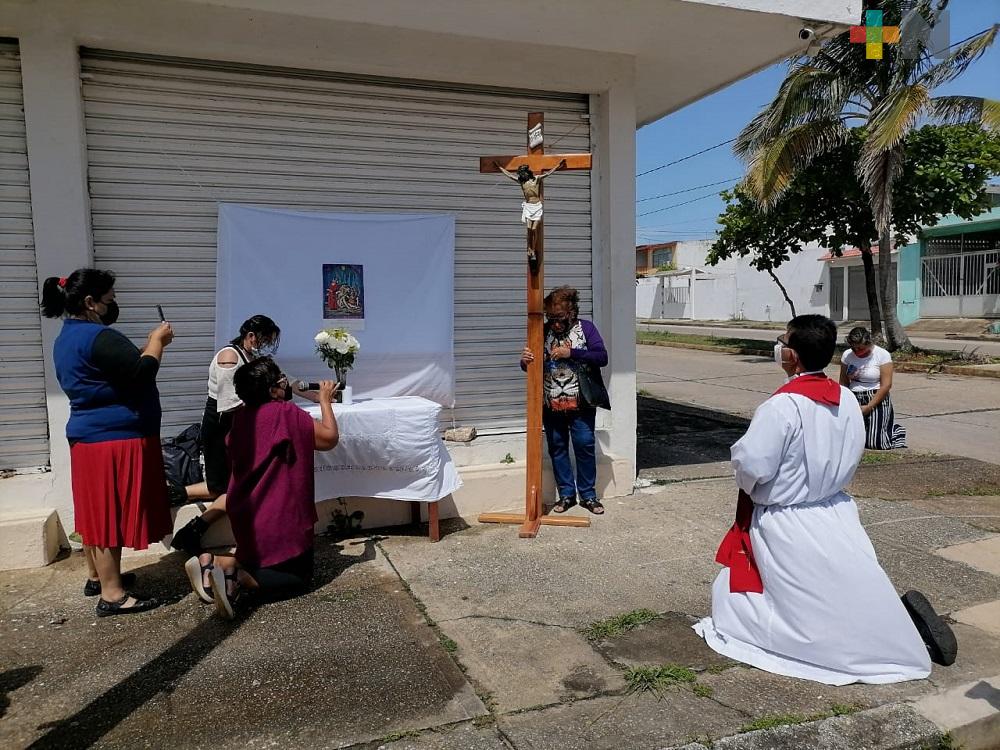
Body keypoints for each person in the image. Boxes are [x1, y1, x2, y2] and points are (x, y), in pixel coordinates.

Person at [694, 315, 954, 684]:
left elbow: (752, 466)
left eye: (783, 340)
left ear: (792, 356)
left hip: (787, 520)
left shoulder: (780, 408)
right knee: (850, 584)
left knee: (773, 603)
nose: (779, 346)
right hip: (835, 510)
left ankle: (869, 647)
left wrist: (756, 487)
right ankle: (900, 632)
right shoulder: (846, 398)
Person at [41, 269, 174, 616]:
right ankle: (113, 595)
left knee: (97, 509)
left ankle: (98, 577)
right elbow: (141, 372)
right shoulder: (99, 337)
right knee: (108, 514)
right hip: (113, 437)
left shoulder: (66, 337)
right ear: (90, 303)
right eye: (110, 299)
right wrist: (157, 341)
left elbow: (115, 373)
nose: (114, 305)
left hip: (90, 437)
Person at [183, 358, 339, 619]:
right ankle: (232, 574)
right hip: (278, 514)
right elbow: (328, 438)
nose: (284, 383)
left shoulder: (241, 417)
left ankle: (216, 564)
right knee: (297, 578)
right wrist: (324, 400)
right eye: (280, 380)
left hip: (246, 514)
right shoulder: (283, 413)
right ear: (271, 390)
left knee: (261, 558)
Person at [170, 316, 317, 558]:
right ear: (251, 336)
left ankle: (179, 498)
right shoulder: (229, 357)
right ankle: (192, 528)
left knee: (228, 486)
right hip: (224, 428)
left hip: (245, 426)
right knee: (232, 488)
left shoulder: (254, 359)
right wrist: (273, 411)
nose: (267, 347)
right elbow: (232, 403)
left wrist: (315, 395)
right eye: (265, 340)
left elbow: (285, 380)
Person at [520, 286, 610, 515]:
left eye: (560, 318)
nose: (556, 324)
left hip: (581, 404)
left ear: (572, 312)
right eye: (552, 318)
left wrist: (573, 353)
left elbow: (602, 357)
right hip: (552, 403)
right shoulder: (542, 330)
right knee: (557, 448)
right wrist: (525, 361)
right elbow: (529, 366)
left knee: (584, 445)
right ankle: (567, 495)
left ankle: (588, 495)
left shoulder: (586, 329)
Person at [840, 326, 906, 450]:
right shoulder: (847, 355)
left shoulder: (882, 355)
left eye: (860, 348)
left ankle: (895, 431)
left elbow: (886, 385)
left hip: (876, 398)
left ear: (869, 343)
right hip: (854, 396)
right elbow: (843, 382)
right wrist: (846, 402)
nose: (856, 351)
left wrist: (869, 406)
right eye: (853, 348)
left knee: (876, 444)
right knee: (852, 442)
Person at [495, 159, 566, 262]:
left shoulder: (536, 179)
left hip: (536, 206)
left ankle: (533, 248)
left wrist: (558, 165)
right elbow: (509, 175)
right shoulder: (522, 182)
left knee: (534, 229)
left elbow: (548, 173)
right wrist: (499, 167)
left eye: (521, 173)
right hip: (528, 207)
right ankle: (529, 248)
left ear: (526, 172)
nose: (520, 175)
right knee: (529, 228)